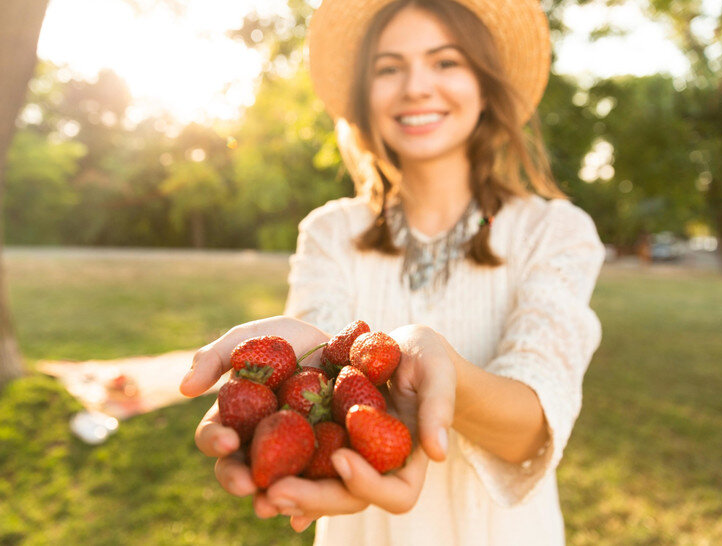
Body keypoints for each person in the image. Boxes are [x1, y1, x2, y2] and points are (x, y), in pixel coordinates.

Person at [179, 0, 605, 544]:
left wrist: (441, 366)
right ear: (363, 98)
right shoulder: (330, 231)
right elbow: (321, 362)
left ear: (485, 86)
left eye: (445, 62)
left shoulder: (554, 231)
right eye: (388, 67)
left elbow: (532, 427)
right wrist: (296, 377)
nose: (416, 86)